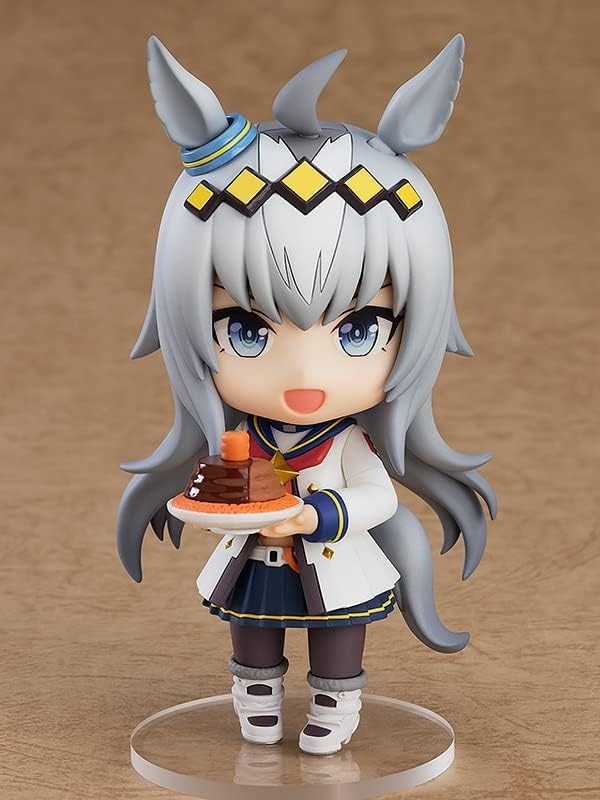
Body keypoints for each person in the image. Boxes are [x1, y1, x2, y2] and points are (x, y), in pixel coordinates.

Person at [117, 34, 496, 755]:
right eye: (247, 331)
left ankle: (334, 706)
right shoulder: (239, 440)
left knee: (338, 643)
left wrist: (317, 515)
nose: (303, 374)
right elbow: (213, 495)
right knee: (252, 638)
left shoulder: (347, 444)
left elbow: (377, 498)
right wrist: (214, 506)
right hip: (253, 567)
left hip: (335, 561)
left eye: (359, 329)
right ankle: (255, 700)